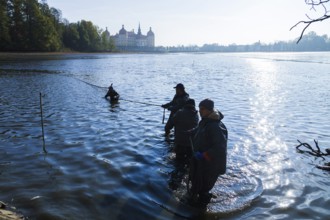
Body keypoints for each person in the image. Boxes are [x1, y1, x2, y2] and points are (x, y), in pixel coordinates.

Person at [188, 98, 228, 207]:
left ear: (210, 110)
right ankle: (195, 202)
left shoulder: (216, 126)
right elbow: (200, 129)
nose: (199, 111)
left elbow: (219, 148)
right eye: (199, 108)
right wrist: (192, 131)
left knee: (204, 188)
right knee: (197, 183)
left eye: (202, 109)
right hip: (203, 162)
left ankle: (202, 207)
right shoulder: (205, 120)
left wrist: (203, 155)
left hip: (211, 164)